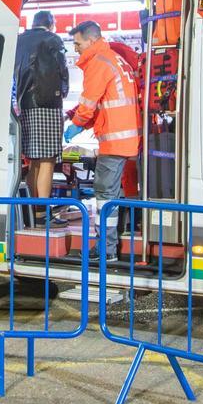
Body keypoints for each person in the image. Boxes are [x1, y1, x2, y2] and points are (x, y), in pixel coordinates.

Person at [64, 21, 139, 263]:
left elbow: (88, 104)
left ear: (91, 40)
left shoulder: (98, 62)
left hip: (114, 141)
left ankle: (106, 250)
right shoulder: (113, 58)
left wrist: (76, 123)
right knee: (113, 196)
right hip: (124, 138)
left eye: (77, 43)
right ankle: (109, 246)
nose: (76, 48)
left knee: (104, 196)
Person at [14, 10, 69, 227]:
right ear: (51, 24)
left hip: (24, 105)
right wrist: (63, 92)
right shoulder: (52, 40)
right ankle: (43, 213)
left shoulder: (19, 40)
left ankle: (31, 211)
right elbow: (62, 72)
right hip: (47, 105)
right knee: (47, 161)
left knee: (33, 163)